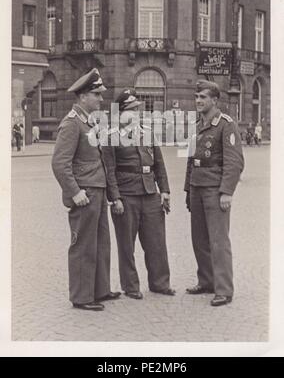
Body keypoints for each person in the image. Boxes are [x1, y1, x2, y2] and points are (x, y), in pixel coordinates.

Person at [51, 68, 120, 311]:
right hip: (84, 193)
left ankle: (99, 289)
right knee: (83, 245)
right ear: (83, 97)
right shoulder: (71, 124)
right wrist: (75, 191)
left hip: (97, 189)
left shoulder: (89, 121)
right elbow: (60, 163)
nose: (101, 99)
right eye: (97, 95)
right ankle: (81, 297)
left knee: (101, 242)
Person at [103, 88, 175, 300]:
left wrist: (165, 191)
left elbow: (159, 165)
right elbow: (109, 170)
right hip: (126, 195)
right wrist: (115, 198)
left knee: (157, 241)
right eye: (131, 110)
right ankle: (131, 286)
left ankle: (160, 283)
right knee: (126, 244)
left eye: (137, 110)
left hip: (150, 192)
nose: (136, 114)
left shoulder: (147, 132)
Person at [184, 80, 244, 307]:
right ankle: (207, 281)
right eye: (197, 97)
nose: (198, 101)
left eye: (203, 97)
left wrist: (227, 192)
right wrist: (188, 190)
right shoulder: (197, 125)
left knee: (218, 240)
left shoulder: (226, 124)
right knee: (199, 239)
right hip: (198, 188)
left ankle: (224, 289)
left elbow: (234, 162)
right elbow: (191, 160)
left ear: (215, 100)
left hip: (215, 190)